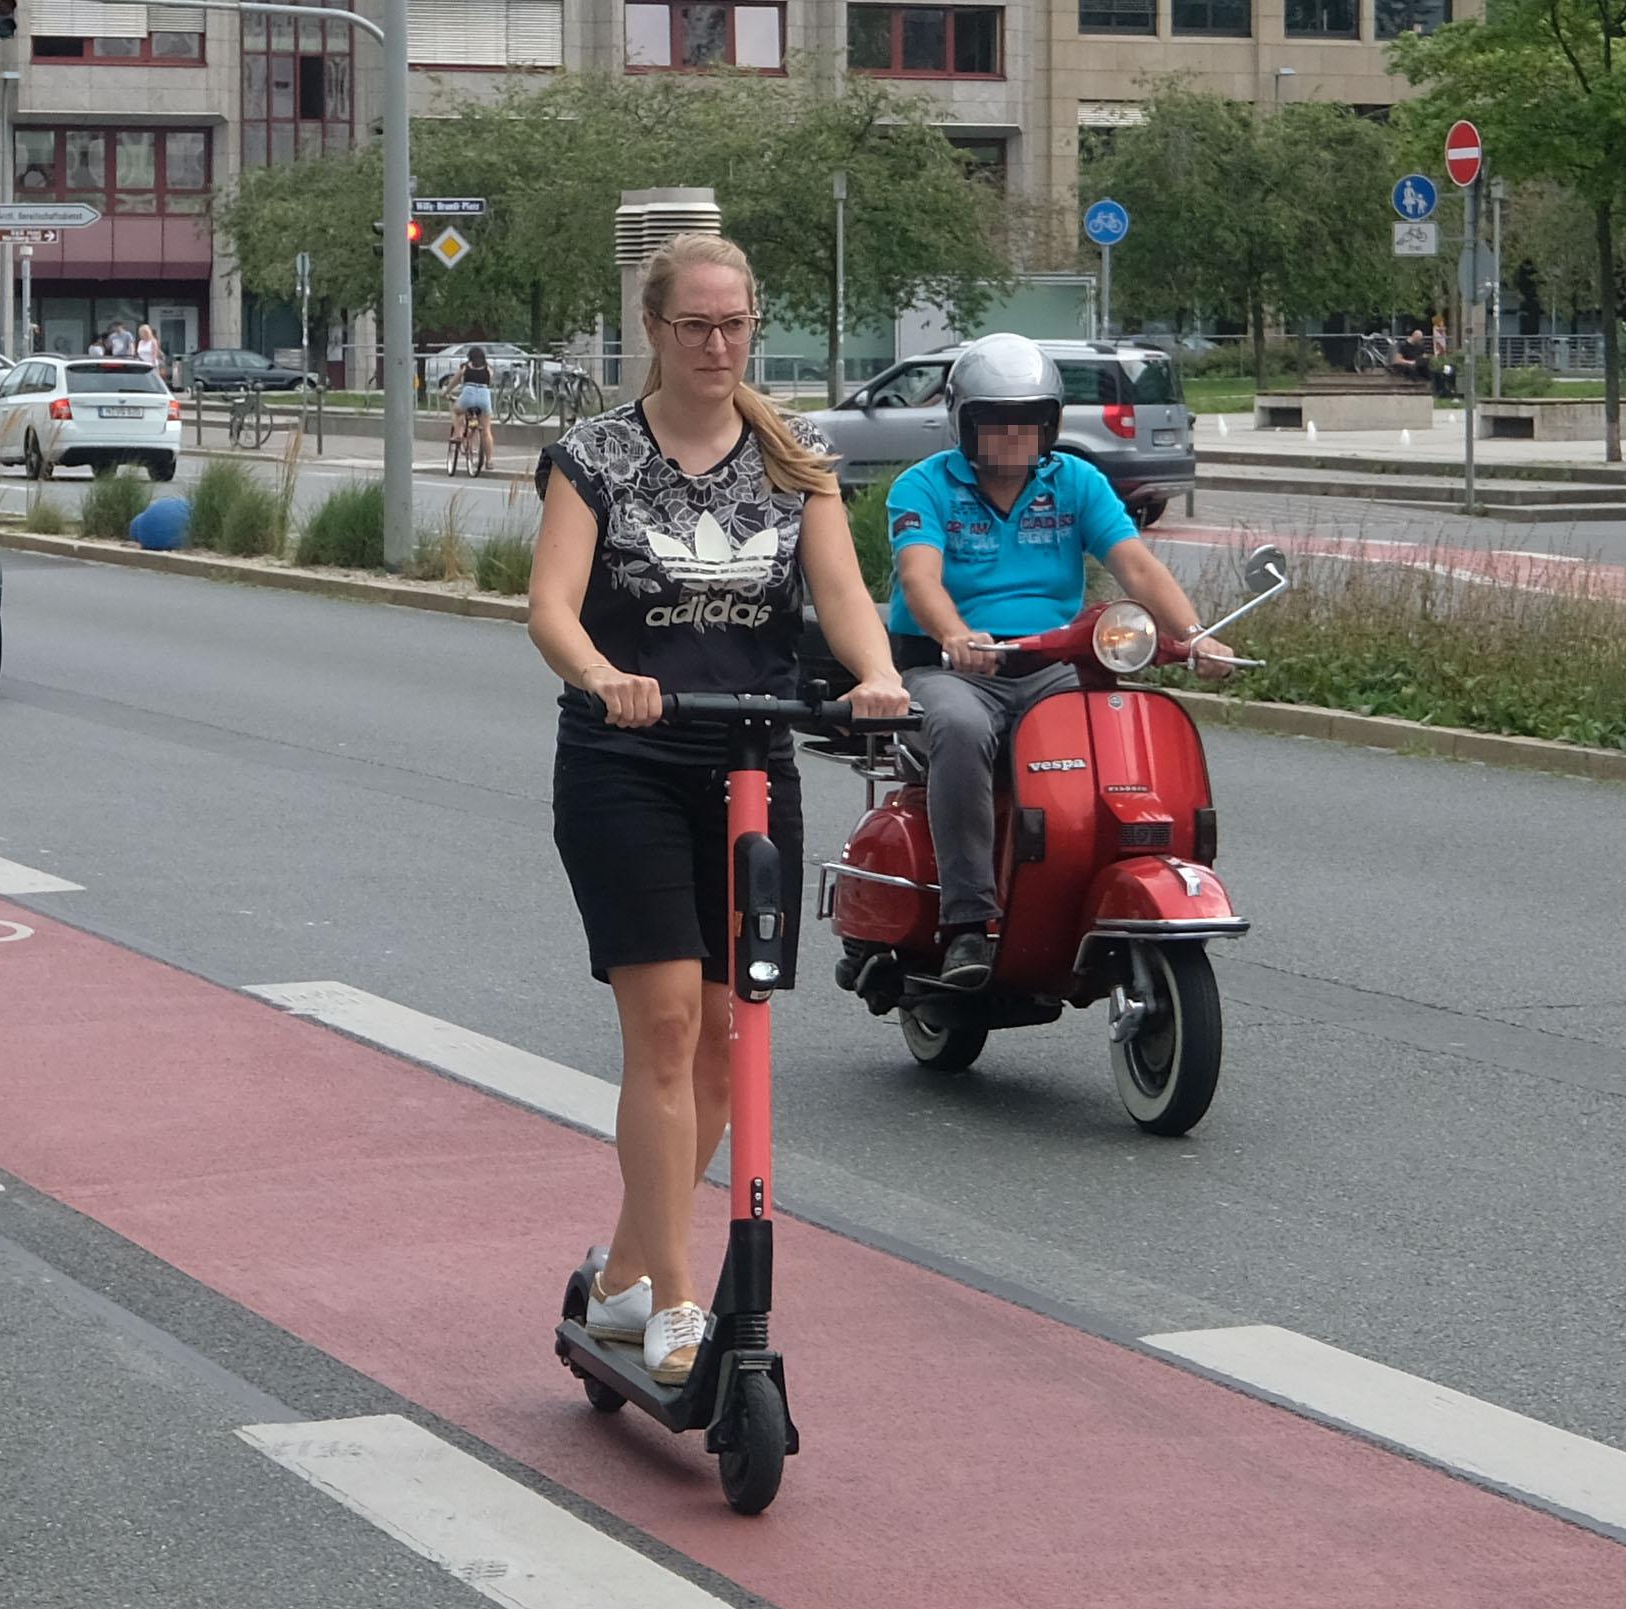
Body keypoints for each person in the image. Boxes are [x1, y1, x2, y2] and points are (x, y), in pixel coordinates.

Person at [529, 233, 909, 1386]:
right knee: (665, 1033)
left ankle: (615, 1283)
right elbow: (550, 606)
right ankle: (679, 1302)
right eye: (693, 323)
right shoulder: (593, 455)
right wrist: (603, 676)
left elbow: (840, 595)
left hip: (751, 760)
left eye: (733, 322)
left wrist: (877, 677)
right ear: (651, 328)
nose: (715, 344)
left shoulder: (796, 457)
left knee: (726, 1050)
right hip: (626, 760)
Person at [884, 334, 1235, 988]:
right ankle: (967, 923)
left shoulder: (1075, 481)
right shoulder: (923, 487)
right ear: (965, 420)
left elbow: (1134, 563)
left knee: (1115, 728)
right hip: (953, 668)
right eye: (994, 420)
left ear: (1049, 423)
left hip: (1053, 667)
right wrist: (957, 635)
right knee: (960, 730)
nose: (1012, 435)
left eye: (1029, 420)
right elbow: (919, 578)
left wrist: (1197, 634)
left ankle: (1093, 887)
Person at [449, 344, 494, 473]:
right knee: (486, 430)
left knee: (456, 410)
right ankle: (489, 460)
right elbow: (489, 381)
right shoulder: (489, 368)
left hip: (468, 395)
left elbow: (455, 381)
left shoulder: (465, 367)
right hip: (484, 396)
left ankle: (458, 434)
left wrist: (446, 392)